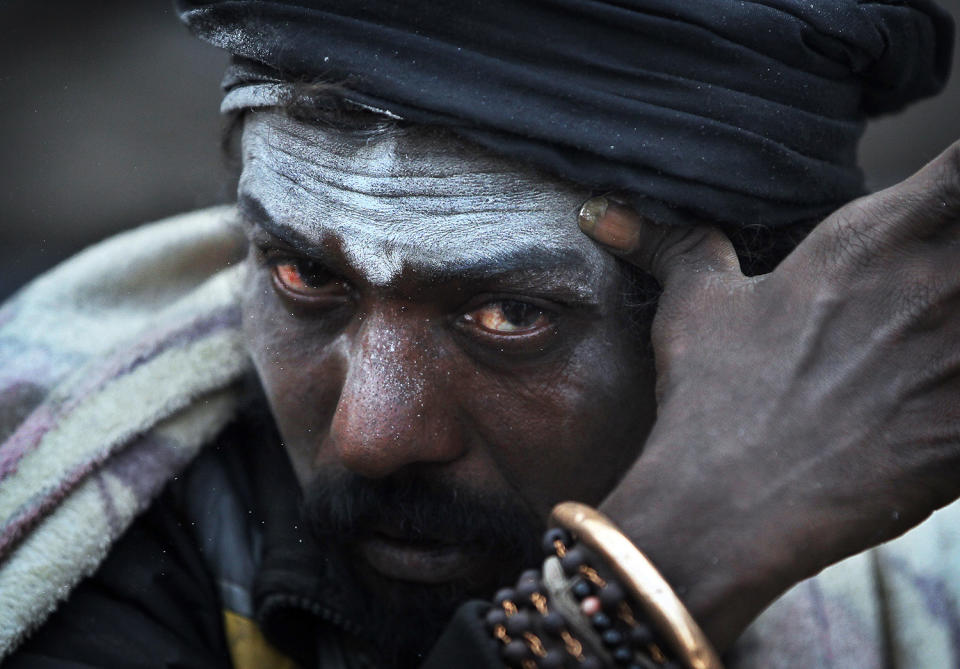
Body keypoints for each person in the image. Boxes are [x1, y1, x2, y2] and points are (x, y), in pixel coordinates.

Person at [0, 1, 957, 667]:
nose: (372, 435)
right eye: (305, 277)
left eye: (510, 317)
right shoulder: (82, 537)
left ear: (765, 322)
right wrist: (661, 573)